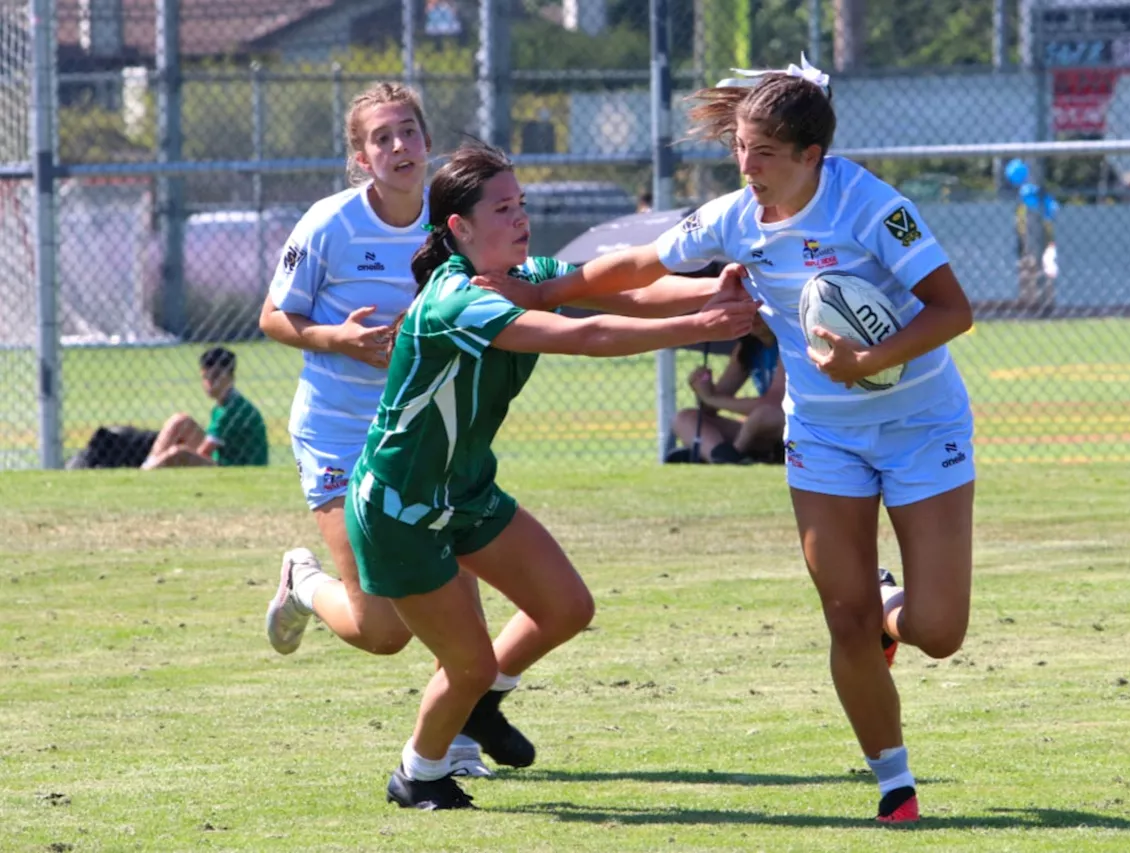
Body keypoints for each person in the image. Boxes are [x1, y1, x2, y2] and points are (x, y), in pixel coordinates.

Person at [486, 55, 976, 824]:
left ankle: (892, 606)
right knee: (841, 615)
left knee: (939, 632)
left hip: (921, 425)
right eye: (741, 149)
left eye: (766, 153)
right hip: (822, 438)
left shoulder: (873, 207)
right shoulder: (734, 218)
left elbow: (953, 310)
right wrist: (544, 290)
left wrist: (865, 360)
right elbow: (638, 263)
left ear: (812, 157)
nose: (747, 166)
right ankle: (895, 785)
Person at [347, 141, 758, 810]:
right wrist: (699, 323)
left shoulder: (521, 274)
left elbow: (614, 277)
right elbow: (587, 335)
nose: (520, 218)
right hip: (401, 509)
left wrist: (714, 286)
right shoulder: (455, 301)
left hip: (465, 491)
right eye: (503, 208)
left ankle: (478, 711)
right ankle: (417, 771)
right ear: (459, 227)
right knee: (470, 663)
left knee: (567, 607)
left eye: (522, 204)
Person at [257, 81, 509, 777]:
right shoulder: (328, 224)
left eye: (409, 132)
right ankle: (302, 582)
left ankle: (455, 740)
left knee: (453, 580)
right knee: (383, 629)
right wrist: (339, 338)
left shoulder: (449, 221)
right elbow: (273, 318)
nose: (399, 146)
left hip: (422, 434)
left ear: (427, 142)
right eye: (382, 138)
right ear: (361, 158)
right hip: (339, 436)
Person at [665, 318, 785, 464]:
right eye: (748, 309)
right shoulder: (747, 348)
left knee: (763, 415)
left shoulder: (789, 345)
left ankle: (735, 454)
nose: (754, 316)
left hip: (787, 425)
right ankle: (721, 457)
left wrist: (710, 398)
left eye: (760, 309)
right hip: (758, 432)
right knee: (683, 418)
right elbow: (709, 408)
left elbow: (774, 403)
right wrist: (702, 389)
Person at [141, 346, 268, 469]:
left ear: (231, 377)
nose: (209, 383)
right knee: (180, 421)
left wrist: (183, 455)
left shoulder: (232, 410)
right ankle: (147, 466)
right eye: (205, 377)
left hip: (236, 468)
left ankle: (145, 475)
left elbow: (204, 453)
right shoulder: (224, 405)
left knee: (179, 454)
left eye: (216, 376)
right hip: (223, 459)